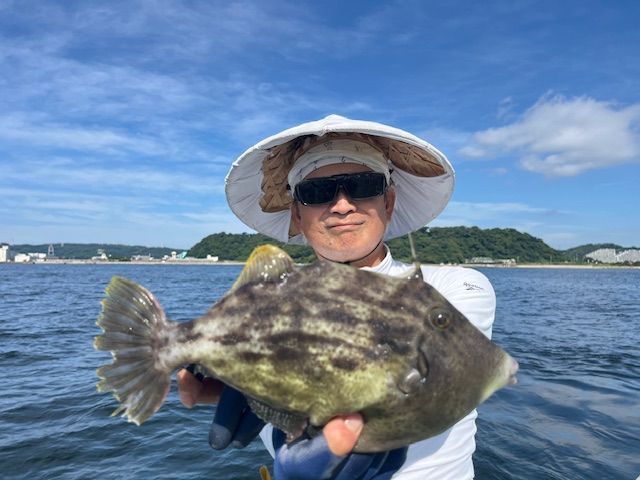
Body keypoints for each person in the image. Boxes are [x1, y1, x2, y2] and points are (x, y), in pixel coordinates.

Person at [177, 114, 496, 479]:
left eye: (363, 186)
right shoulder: (264, 303)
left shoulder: (456, 287)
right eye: (317, 192)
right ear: (296, 214)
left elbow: (441, 374)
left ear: (389, 202)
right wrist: (225, 369)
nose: (342, 205)